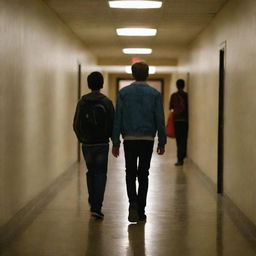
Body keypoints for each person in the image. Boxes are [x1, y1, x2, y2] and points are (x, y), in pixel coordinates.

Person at [112, 62, 166, 222]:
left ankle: (133, 204)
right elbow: (159, 119)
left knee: (130, 173)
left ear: (133, 75)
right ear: (147, 74)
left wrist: (116, 142)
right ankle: (141, 210)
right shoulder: (155, 94)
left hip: (129, 139)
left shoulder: (123, 93)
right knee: (144, 174)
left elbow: (118, 119)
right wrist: (161, 142)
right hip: (147, 140)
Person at [73, 71, 114, 219]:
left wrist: (82, 138)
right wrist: (114, 141)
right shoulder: (106, 102)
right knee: (101, 173)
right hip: (102, 143)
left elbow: (76, 124)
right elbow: (112, 124)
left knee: (91, 172)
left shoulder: (82, 101)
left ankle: (92, 203)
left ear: (89, 84)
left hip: (87, 144)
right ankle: (97, 206)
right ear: (101, 84)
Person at [169, 79, 188, 166]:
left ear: (177, 86)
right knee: (184, 139)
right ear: (184, 85)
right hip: (185, 120)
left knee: (178, 140)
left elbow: (171, 107)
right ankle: (183, 155)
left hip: (176, 121)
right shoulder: (186, 95)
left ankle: (180, 159)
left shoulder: (174, 96)